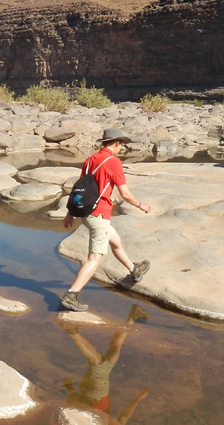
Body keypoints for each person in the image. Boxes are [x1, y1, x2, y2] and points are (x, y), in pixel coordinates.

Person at [61, 128, 151, 312]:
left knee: (115, 242)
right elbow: (124, 193)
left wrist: (70, 212)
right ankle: (72, 294)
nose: (122, 148)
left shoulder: (90, 160)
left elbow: (80, 187)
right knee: (94, 258)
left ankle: (134, 269)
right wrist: (140, 205)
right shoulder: (114, 162)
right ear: (116, 143)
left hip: (86, 212)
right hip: (99, 214)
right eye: (122, 145)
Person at [58, 304, 150, 424]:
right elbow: (123, 417)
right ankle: (132, 317)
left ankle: (72, 332)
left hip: (97, 396)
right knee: (115, 348)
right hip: (92, 394)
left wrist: (138, 398)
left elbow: (124, 416)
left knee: (96, 361)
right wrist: (70, 389)